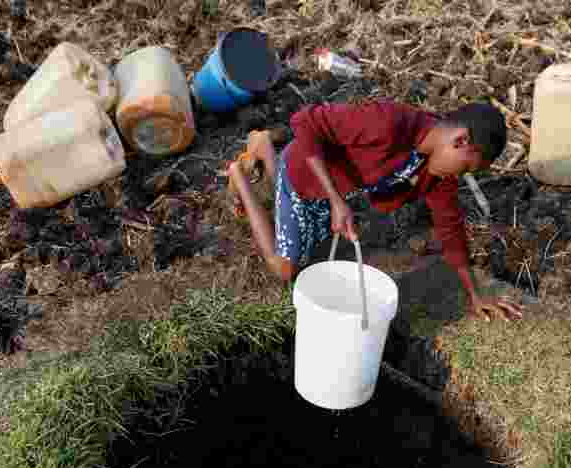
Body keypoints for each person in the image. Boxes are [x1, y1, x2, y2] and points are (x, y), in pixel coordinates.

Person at [224, 99, 522, 322]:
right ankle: (239, 177)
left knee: (310, 251)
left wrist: (474, 293)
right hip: (303, 173)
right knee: (286, 267)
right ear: (460, 141)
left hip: (330, 192)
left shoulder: (435, 173)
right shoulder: (387, 122)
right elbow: (306, 123)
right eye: (466, 167)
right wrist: (337, 201)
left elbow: (449, 226)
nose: (460, 176)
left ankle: (264, 148)